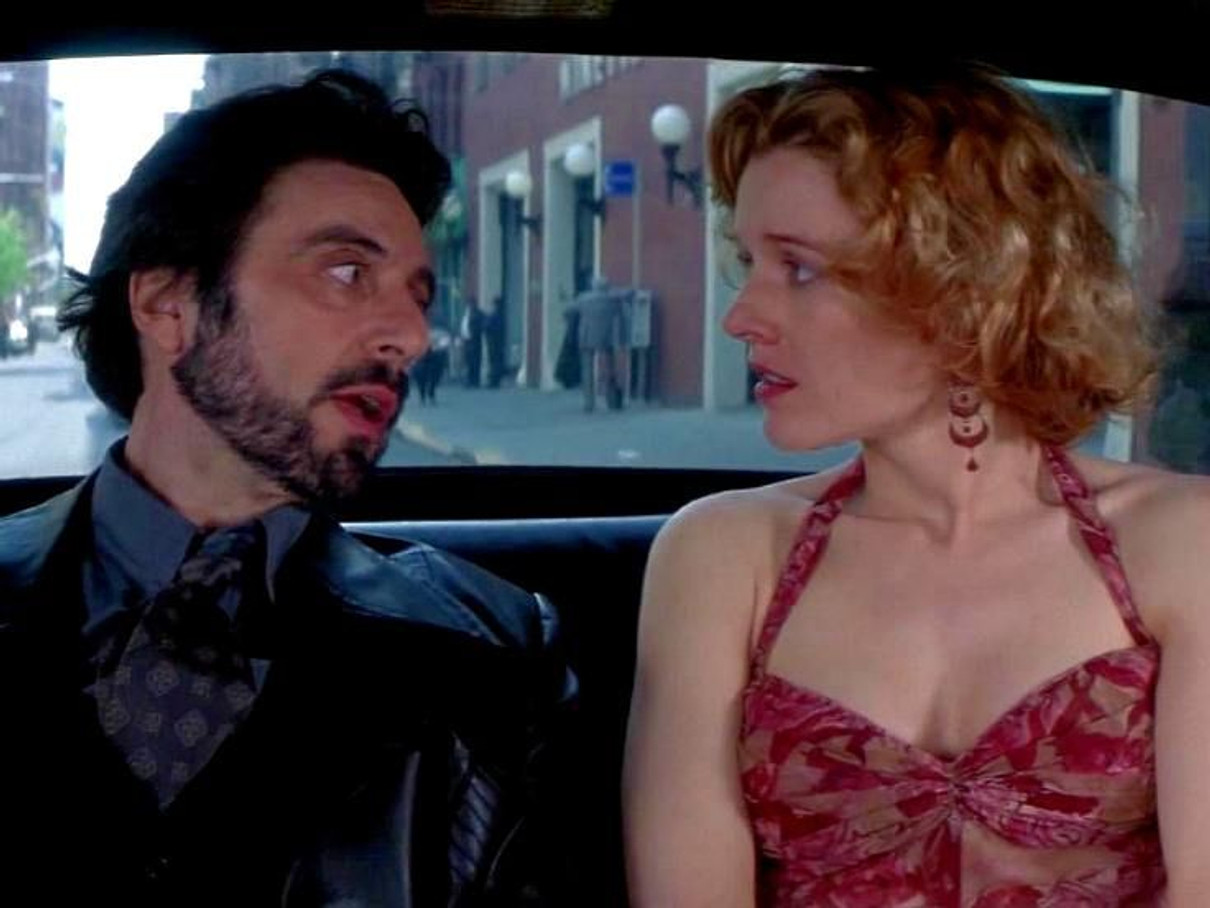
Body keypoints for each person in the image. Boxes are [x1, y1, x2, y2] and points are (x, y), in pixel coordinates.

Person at [623, 64, 1210, 906]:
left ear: (963, 288)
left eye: (799, 269)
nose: (740, 316)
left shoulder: (1182, 541)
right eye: (747, 261)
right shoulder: (723, 555)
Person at [0, 70, 575, 906]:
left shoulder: (494, 656)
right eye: (346, 272)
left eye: (419, 295)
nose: (412, 336)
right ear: (168, 304)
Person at [573, 276, 624, 412]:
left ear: (593, 286)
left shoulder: (584, 298)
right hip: (607, 337)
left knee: (587, 369)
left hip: (587, 336)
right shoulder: (613, 300)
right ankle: (611, 399)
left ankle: (589, 402)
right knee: (610, 367)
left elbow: (569, 310)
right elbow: (620, 312)